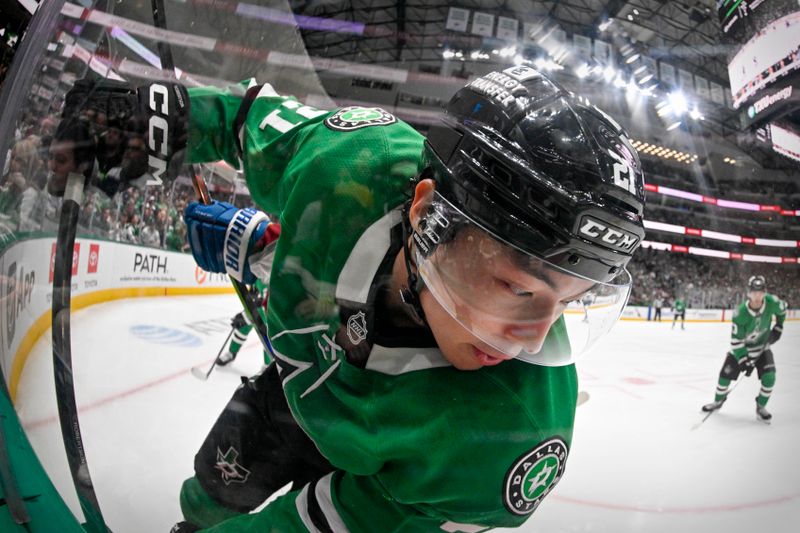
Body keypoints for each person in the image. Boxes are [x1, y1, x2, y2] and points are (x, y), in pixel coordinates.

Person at [60, 66, 645, 532]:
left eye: (567, 303)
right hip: (290, 402)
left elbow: (332, 523)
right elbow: (247, 123)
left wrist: (260, 254)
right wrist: (164, 119)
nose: (534, 340)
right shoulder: (353, 164)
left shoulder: (509, 439)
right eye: (517, 288)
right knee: (210, 495)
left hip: (371, 475)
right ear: (425, 215)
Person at [702, 275, 786, 422]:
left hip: (762, 348)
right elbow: (736, 341)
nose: (757, 295)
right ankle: (718, 400)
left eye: (761, 292)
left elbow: (783, 310)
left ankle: (761, 406)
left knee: (770, 377)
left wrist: (779, 326)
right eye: (754, 292)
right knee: (724, 375)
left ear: (765, 292)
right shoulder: (740, 313)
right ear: (749, 293)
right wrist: (743, 360)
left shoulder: (772, 302)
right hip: (742, 350)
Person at [217, 279, 271, 367]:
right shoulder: (257, 272)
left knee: (268, 337)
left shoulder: (270, 273)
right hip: (260, 309)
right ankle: (232, 353)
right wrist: (253, 293)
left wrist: (245, 316)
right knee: (243, 327)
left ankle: (268, 367)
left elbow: (268, 304)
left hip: (271, 315)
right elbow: (257, 292)